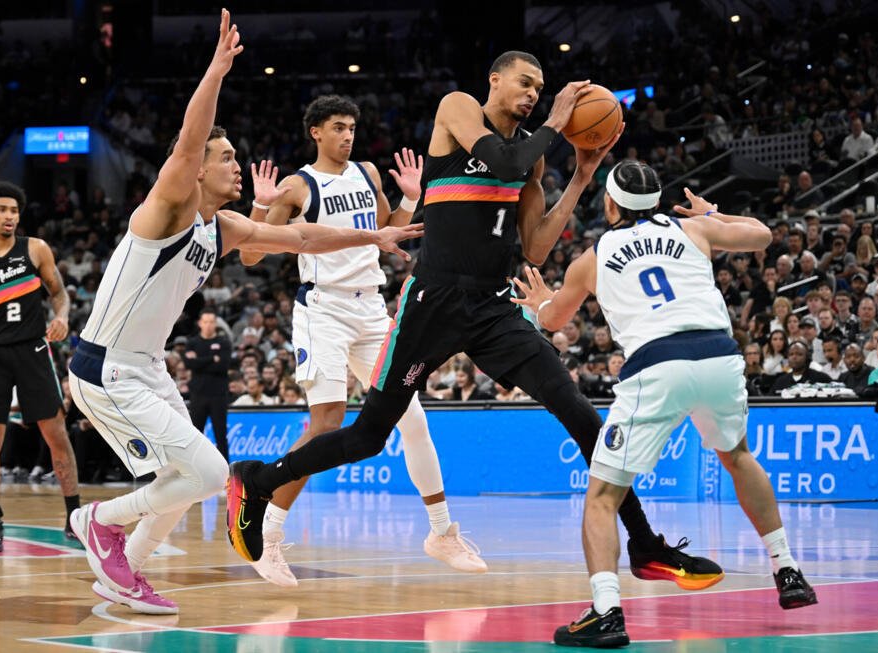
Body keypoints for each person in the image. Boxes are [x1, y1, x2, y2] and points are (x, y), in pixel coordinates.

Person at [228, 51, 723, 592]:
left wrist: (580, 178)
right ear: (495, 79)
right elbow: (504, 162)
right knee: (370, 436)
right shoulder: (459, 108)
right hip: (432, 304)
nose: (534, 93)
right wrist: (558, 122)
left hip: (492, 308)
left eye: (540, 87)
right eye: (524, 82)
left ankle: (646, 546)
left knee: (585, 417)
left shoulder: (533, 158)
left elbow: (533, 247)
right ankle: (257, 479)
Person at [64, 11, 421, 615]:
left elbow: (302, 238)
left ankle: (124, 575)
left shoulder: (222, 226)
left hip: (146, 367)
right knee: (207, 474)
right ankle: (98, 521)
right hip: (106, 367)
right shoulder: (166, 210)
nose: (237, 164)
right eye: (225, 157)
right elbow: (186, 140)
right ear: (196, 169)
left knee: (177, 486)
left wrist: (370, 239)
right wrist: (218, 67)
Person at [508, 167, 816, 647]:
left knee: (603, 497)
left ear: (610, 206)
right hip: (719, 356)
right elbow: (762, 235)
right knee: (738, 458)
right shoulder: (692, 228)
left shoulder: (592, 258)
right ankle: (788, 569)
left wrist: (540, 302)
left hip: (657, 365)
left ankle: (606, 612)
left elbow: (554, 319)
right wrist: (713, 211)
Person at [239, 94, 486, 584]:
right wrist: (260, 205)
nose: (347, 135)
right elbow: (250, 256)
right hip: (323, 308)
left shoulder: (368, 174)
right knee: (327, 420)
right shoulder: (297, 185)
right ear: (316, 132)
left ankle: (441, 531)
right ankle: (267, 536)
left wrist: (412, 198)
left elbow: (387, 233)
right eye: (337, 127)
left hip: (371, 307)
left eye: (351, 127)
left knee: (413, 418)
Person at [0, 181, 81, 552]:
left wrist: (61, 316)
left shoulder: (35, 249)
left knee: (57, 434)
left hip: (33, 351)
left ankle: (73, 515)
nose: (10, 216)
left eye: (15, 211)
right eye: (2, 209)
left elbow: (59, 292)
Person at [184, 307, 232, 461]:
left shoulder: (223, 342)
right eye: (206, 322)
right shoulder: (192, 342)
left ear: (216, 323)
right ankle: (194, 469)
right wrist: (212, 358)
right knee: (195, 434)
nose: (209, 325)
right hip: (198, 394)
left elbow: (223, 365)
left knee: (220, 435)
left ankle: (226, 473)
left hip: (219, 395)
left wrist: (199, 360)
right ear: (200, 323)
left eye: (212, 322)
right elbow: (189, 364)